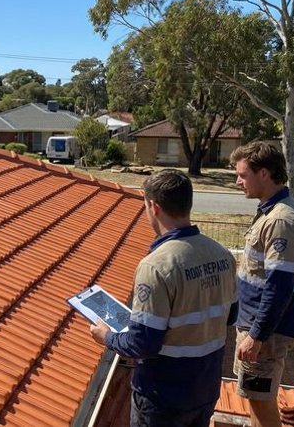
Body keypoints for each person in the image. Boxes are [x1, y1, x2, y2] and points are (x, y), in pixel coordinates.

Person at [90, 169, 237, 427]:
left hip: (164, 396)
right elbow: (231, 315)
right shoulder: (222, 255)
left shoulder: (156, 266)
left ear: (153, 206)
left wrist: (107, 336)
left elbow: (143, 344)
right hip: (205, 388)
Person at [230, 142, 294, 427]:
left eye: (242, 175)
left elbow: (278, 286)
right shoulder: (271, 211)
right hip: (259, 328)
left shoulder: (281, 221)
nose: (238, 181)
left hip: (266, 334)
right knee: (255, 396)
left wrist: (257, 336)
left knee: (261, 402)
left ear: (264, 173)